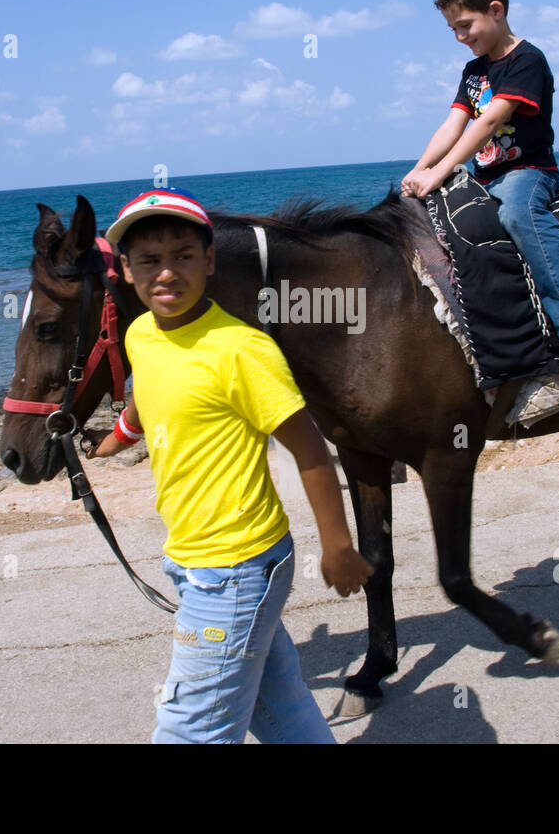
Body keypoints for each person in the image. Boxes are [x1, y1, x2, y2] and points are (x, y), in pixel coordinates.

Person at [97, 187, 373, 743]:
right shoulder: (141, 334)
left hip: (236, 567)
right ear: (126, 272)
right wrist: (117, 437)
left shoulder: (241, 349)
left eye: (183, 256)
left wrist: (339, 546)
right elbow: (150, 398)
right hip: (192, 559)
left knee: (190, 727)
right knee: (280, 709)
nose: (167, 273)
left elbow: (310, 448)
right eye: (149, 260)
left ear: (211, 261)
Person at [400, 0, 559, 384]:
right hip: (484, 176)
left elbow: (490, 121)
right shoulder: (474, 72)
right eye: (452, 30)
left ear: (497, 10)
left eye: (465, 25)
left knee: (519, 214)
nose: (460, 37)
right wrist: (418, 170)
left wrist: (440, 171)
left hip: (527, 172)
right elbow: (453, 123)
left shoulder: (526, 62)